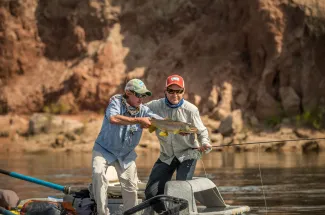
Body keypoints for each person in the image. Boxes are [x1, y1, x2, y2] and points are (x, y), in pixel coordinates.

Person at [91, 79, 162, 215]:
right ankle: (102, 213)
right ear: (128, 92)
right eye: (138, 95)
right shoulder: (116, 102)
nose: (141, 99)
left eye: (143, 96)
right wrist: (138, 120)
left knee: (130, 187)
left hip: (126, 154)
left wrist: (179, 127)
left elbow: (159, 121)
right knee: (98, 172)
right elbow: (114, 119)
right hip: (104, 149)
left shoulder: (144, 110)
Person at [144, 74, 212, 202]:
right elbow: (138, 111)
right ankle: (164, 211)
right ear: (165, 91)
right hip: (166, 155)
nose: (175, 94)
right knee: (151, 193)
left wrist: (205, 144)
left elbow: (202, 131)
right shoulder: (154, 106)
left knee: (181, 190)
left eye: (179, 91)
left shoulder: (191, 110)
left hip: (188, 154)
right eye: (171, 91)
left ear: (184, 92)